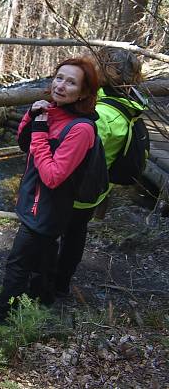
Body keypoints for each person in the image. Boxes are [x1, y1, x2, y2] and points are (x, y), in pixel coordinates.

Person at [0, 57, 101, 323]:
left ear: (84, 93)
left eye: (71, 82)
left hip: (48, 208)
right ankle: (43, 299)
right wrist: (31, 115)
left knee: (18, 263)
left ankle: (0, 315)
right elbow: (24, 144)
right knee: (44, 256)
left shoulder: (82, 129)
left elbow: (52, 176)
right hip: (36, 201)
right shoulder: (54, 111)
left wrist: (39, 129)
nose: (61, 86)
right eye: (59, 77)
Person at [54, 48, 146, 297]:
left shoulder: (103, 115)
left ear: (107, 72)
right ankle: (60, 282)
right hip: (96, 187)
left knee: (62, 233)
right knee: (76, 232)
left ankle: (54, 285)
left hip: (76, 187)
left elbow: (79, 155)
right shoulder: (126, 103)